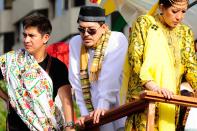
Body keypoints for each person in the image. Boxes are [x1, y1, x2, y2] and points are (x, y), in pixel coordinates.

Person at [121, 0, 197, 130]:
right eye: (174, 11)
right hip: (144, 100)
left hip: (170, 101)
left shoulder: (185, 32)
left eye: (183, 11)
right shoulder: (145, 24)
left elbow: (191, 68)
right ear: (161, 7)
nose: (179, 17)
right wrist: (154, 87)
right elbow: (135, 59)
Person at [0, 14, 74, 131]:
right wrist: (7, 98)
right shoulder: (12, 60)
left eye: (31, 36)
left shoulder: (57, 67)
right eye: (24, 35)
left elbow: (66, 99)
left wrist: (70, 126)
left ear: (45, 38)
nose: (26, 40)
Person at [69, 6, 128, 131]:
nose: (85, 34)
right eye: (81, 30)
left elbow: (110, 76)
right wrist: (85, 114)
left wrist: (103, 105)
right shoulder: (75, 42)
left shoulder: (116, 39)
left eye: (91, 30)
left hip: (119, 110)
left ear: (103, 28)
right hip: (94, 115)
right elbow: (76, 81)